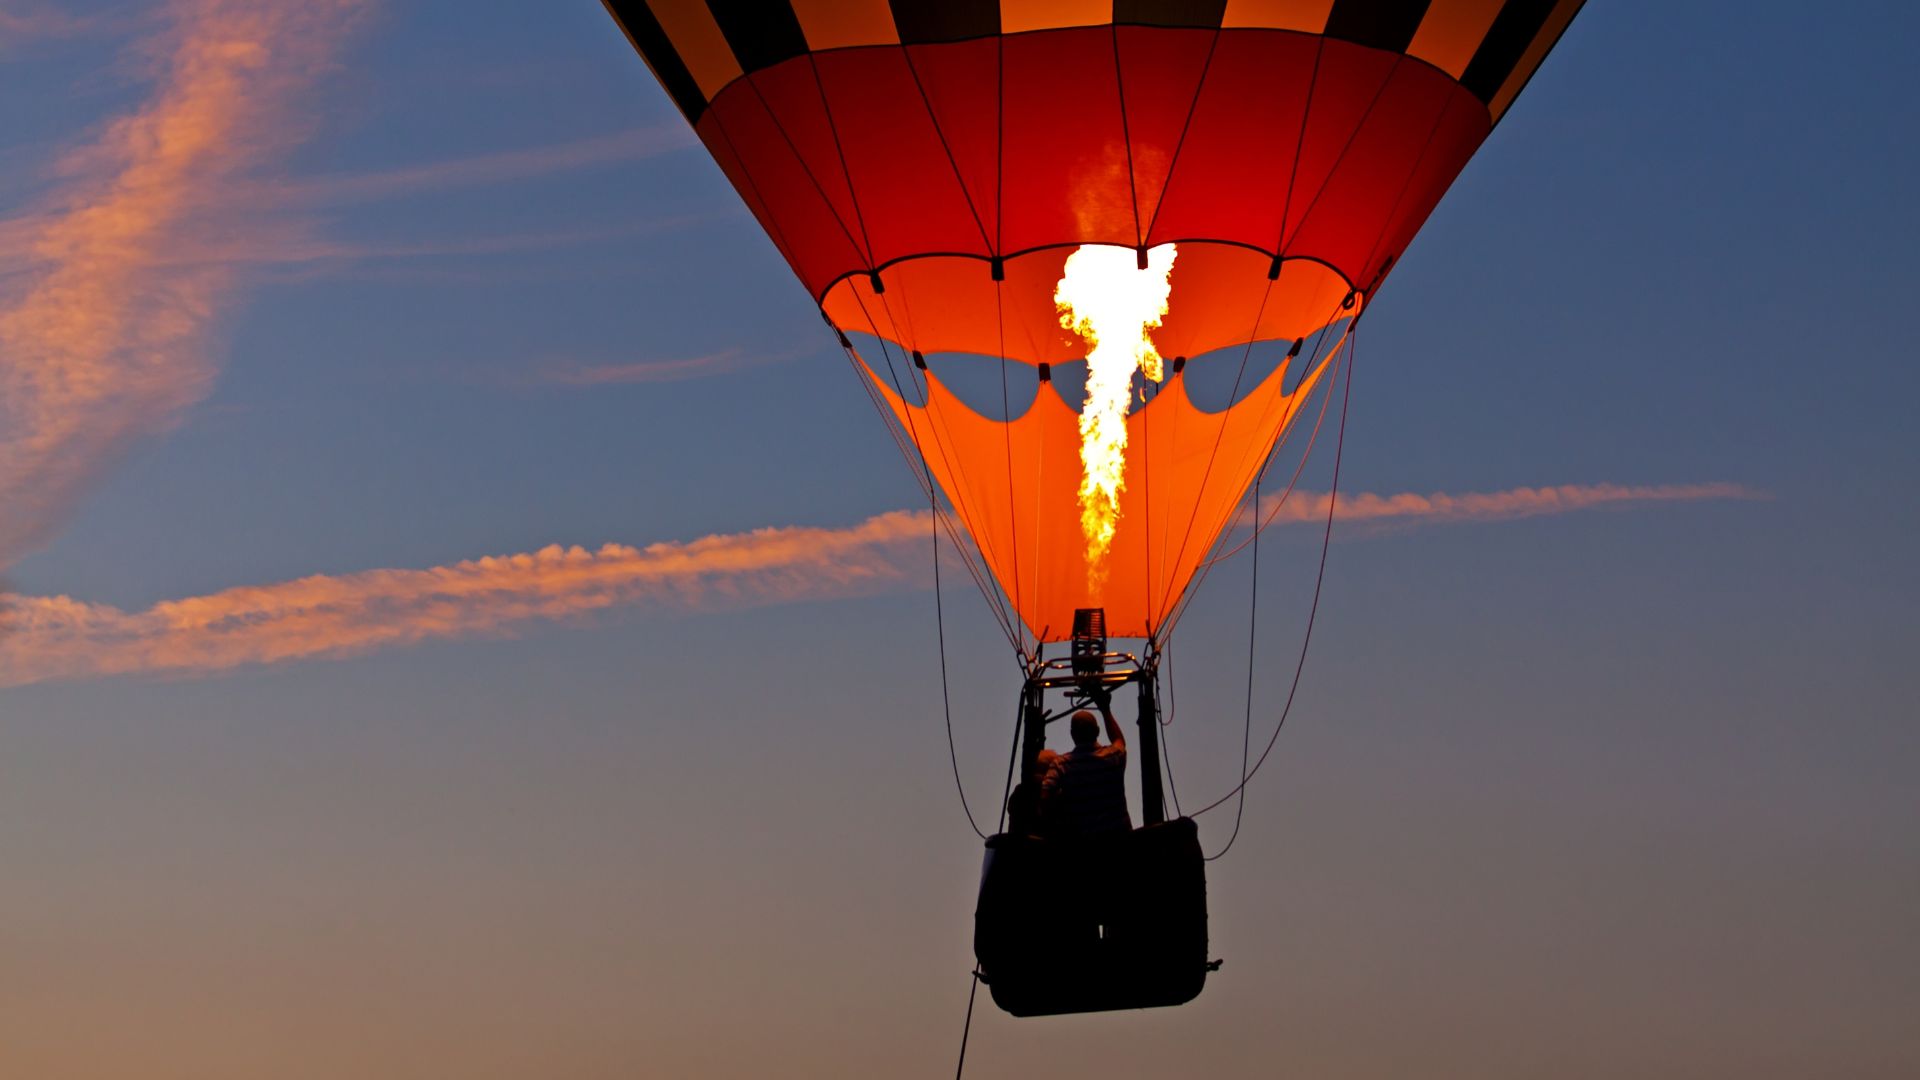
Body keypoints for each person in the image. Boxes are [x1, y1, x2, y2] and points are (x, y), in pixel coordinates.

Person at [1037, 687, 1131, 837]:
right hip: (1120, 843)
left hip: (1082, 846)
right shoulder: (1114, 757)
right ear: (1098, 731)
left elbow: (1044, 798)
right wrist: (1105, 709)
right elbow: (1119, 740)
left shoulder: (1061, 765)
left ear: (1072, 734)